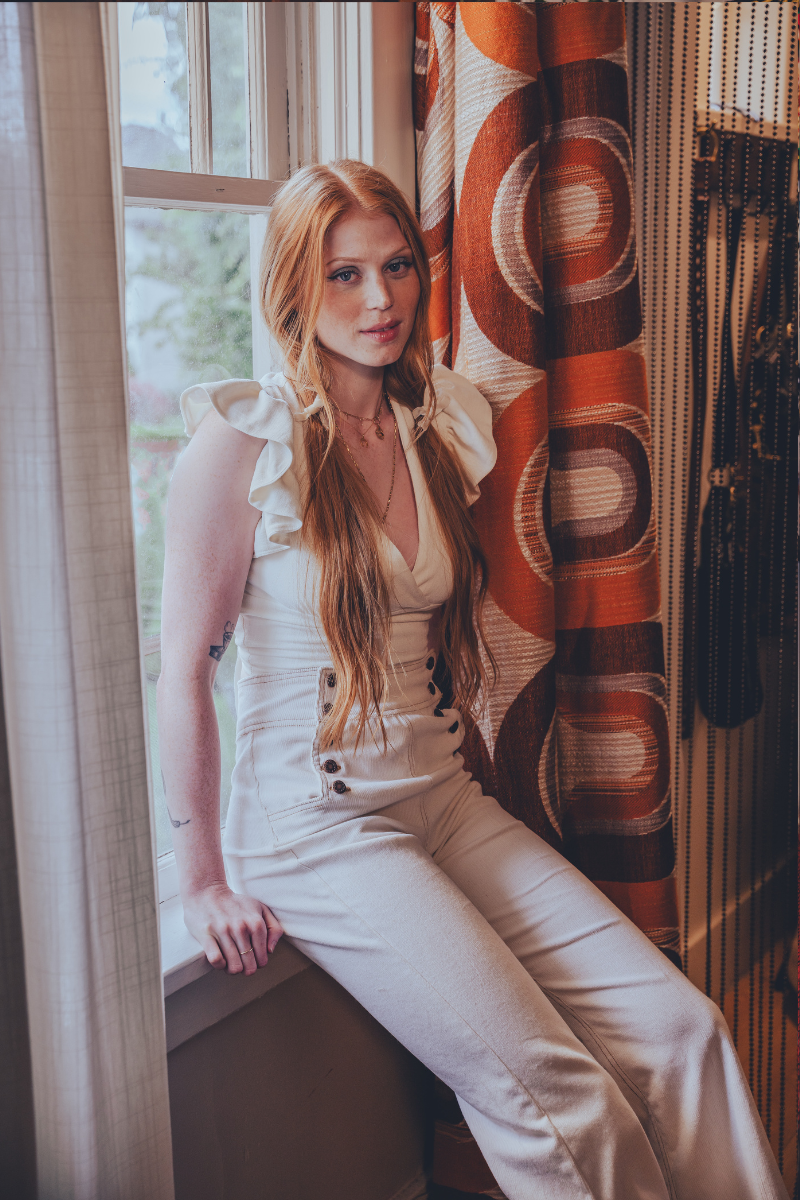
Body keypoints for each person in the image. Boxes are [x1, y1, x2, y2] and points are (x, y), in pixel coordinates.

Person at [158, 159, 787, 1200]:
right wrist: (201, 882)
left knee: (684, 1030)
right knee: (559, 1094)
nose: (380, 299)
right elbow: (183, 666)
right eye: (344, 275)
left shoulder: (433, 421)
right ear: (292, 288)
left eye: (397, 265)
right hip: (317, 828)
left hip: (439, 800)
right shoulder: (239, 444)